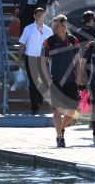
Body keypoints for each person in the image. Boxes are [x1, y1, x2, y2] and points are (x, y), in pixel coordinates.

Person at [41, 14, 81, 148]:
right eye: (53, 25)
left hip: (71, 80)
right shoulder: (48, 41)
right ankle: (60, 137)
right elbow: (43, 62)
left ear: (64, 27)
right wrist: (47, 77)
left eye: (57, 25)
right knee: (57, 111)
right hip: (56, 80)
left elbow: (77, 61)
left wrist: (78, 76)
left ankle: (62, 128)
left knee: (71, 111)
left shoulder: (73, 40)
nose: (54, 27)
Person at [18, 7, 53, 115]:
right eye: (38, 16)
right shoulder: (28, 28)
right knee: (33, 82)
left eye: (42, 16)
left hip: (43, 59)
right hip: (31, 57)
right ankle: (34, 107)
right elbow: (22, 44)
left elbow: (51, 46)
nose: (40, 18)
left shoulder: (48, 30)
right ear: (34, 16)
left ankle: (40, 96)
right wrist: (19, 58)